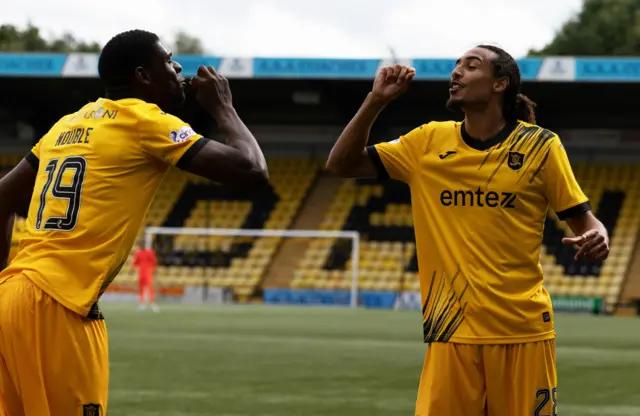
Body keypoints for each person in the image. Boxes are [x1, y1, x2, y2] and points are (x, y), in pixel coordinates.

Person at [326, 45, 610, 416]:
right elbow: (341, 163)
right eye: (456, 66)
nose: (456, 73)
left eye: (471, 66)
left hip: (522, 330)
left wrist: (599, 234)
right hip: (450, 331)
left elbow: (584, 219)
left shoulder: (540, 146)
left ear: (500, 84)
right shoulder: (426, 141)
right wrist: (375, 102)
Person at [0, 29, 268, 415]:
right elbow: (253, 170)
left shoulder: (65, 125)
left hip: (13, 298)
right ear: (143, 76)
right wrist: (223, 107)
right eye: (169, 60)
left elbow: (1, 199)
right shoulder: (145, 120)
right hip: (59, 306)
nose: (178, 67)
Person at [132, 241, 159, 312]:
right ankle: (142, 304)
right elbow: (135, 263)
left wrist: (155, 272)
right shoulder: (138, 253)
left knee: (150, 289)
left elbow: (154, 263)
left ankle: (153, 304)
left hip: (148, 273)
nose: (142, 245)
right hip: (141, 273)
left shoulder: (150, 252)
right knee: (141, 289)